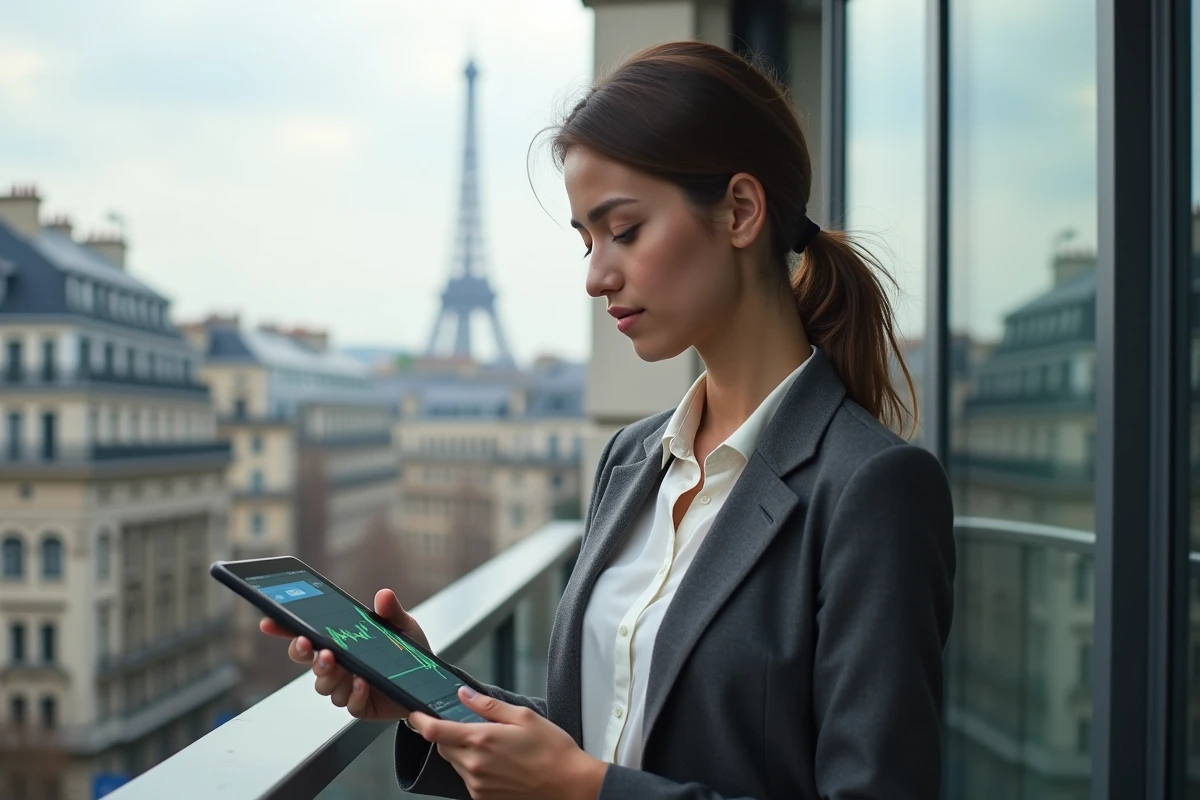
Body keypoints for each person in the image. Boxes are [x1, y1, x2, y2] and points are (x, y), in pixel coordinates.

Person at [262, 40, 955, 800]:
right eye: (587, 241)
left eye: (623, 230)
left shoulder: (874, 488)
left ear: (740, 211)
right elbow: (604, 733)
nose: (595, 276)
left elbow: (592, 776)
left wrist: (586, 791)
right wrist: (428, 694)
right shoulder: (632, 459)